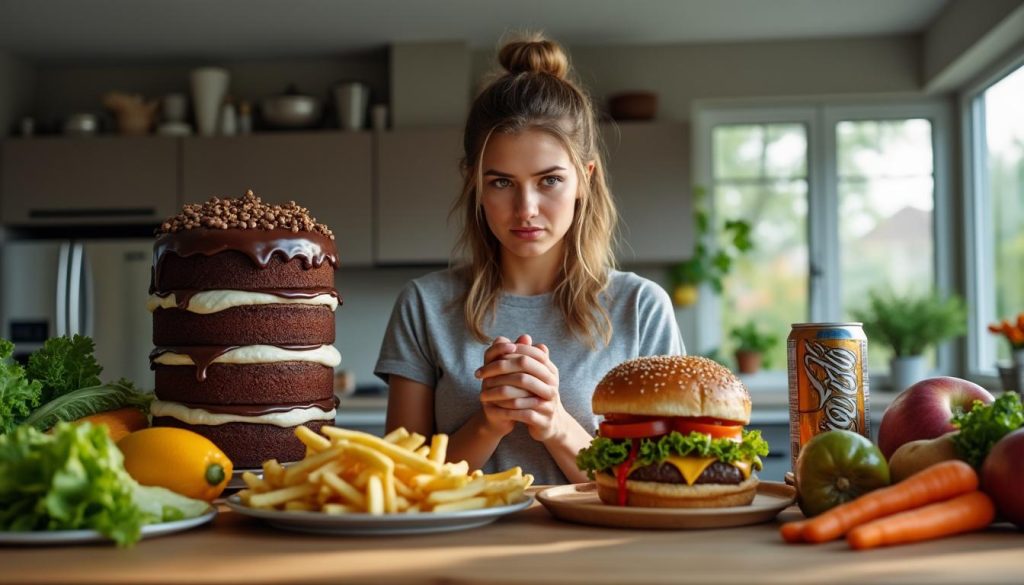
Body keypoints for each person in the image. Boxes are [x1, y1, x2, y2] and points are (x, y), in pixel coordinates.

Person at [374, 34, 684, 484]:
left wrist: (554, 423)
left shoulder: (642, 308)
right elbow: (398, 481)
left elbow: (662, 482)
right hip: (452, 550)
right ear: (475, 182)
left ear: (585, 178)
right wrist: (489, 424)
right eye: (501, 182)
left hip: (599, 553)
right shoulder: (423, 305)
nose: (526, 209)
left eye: (550, 180)